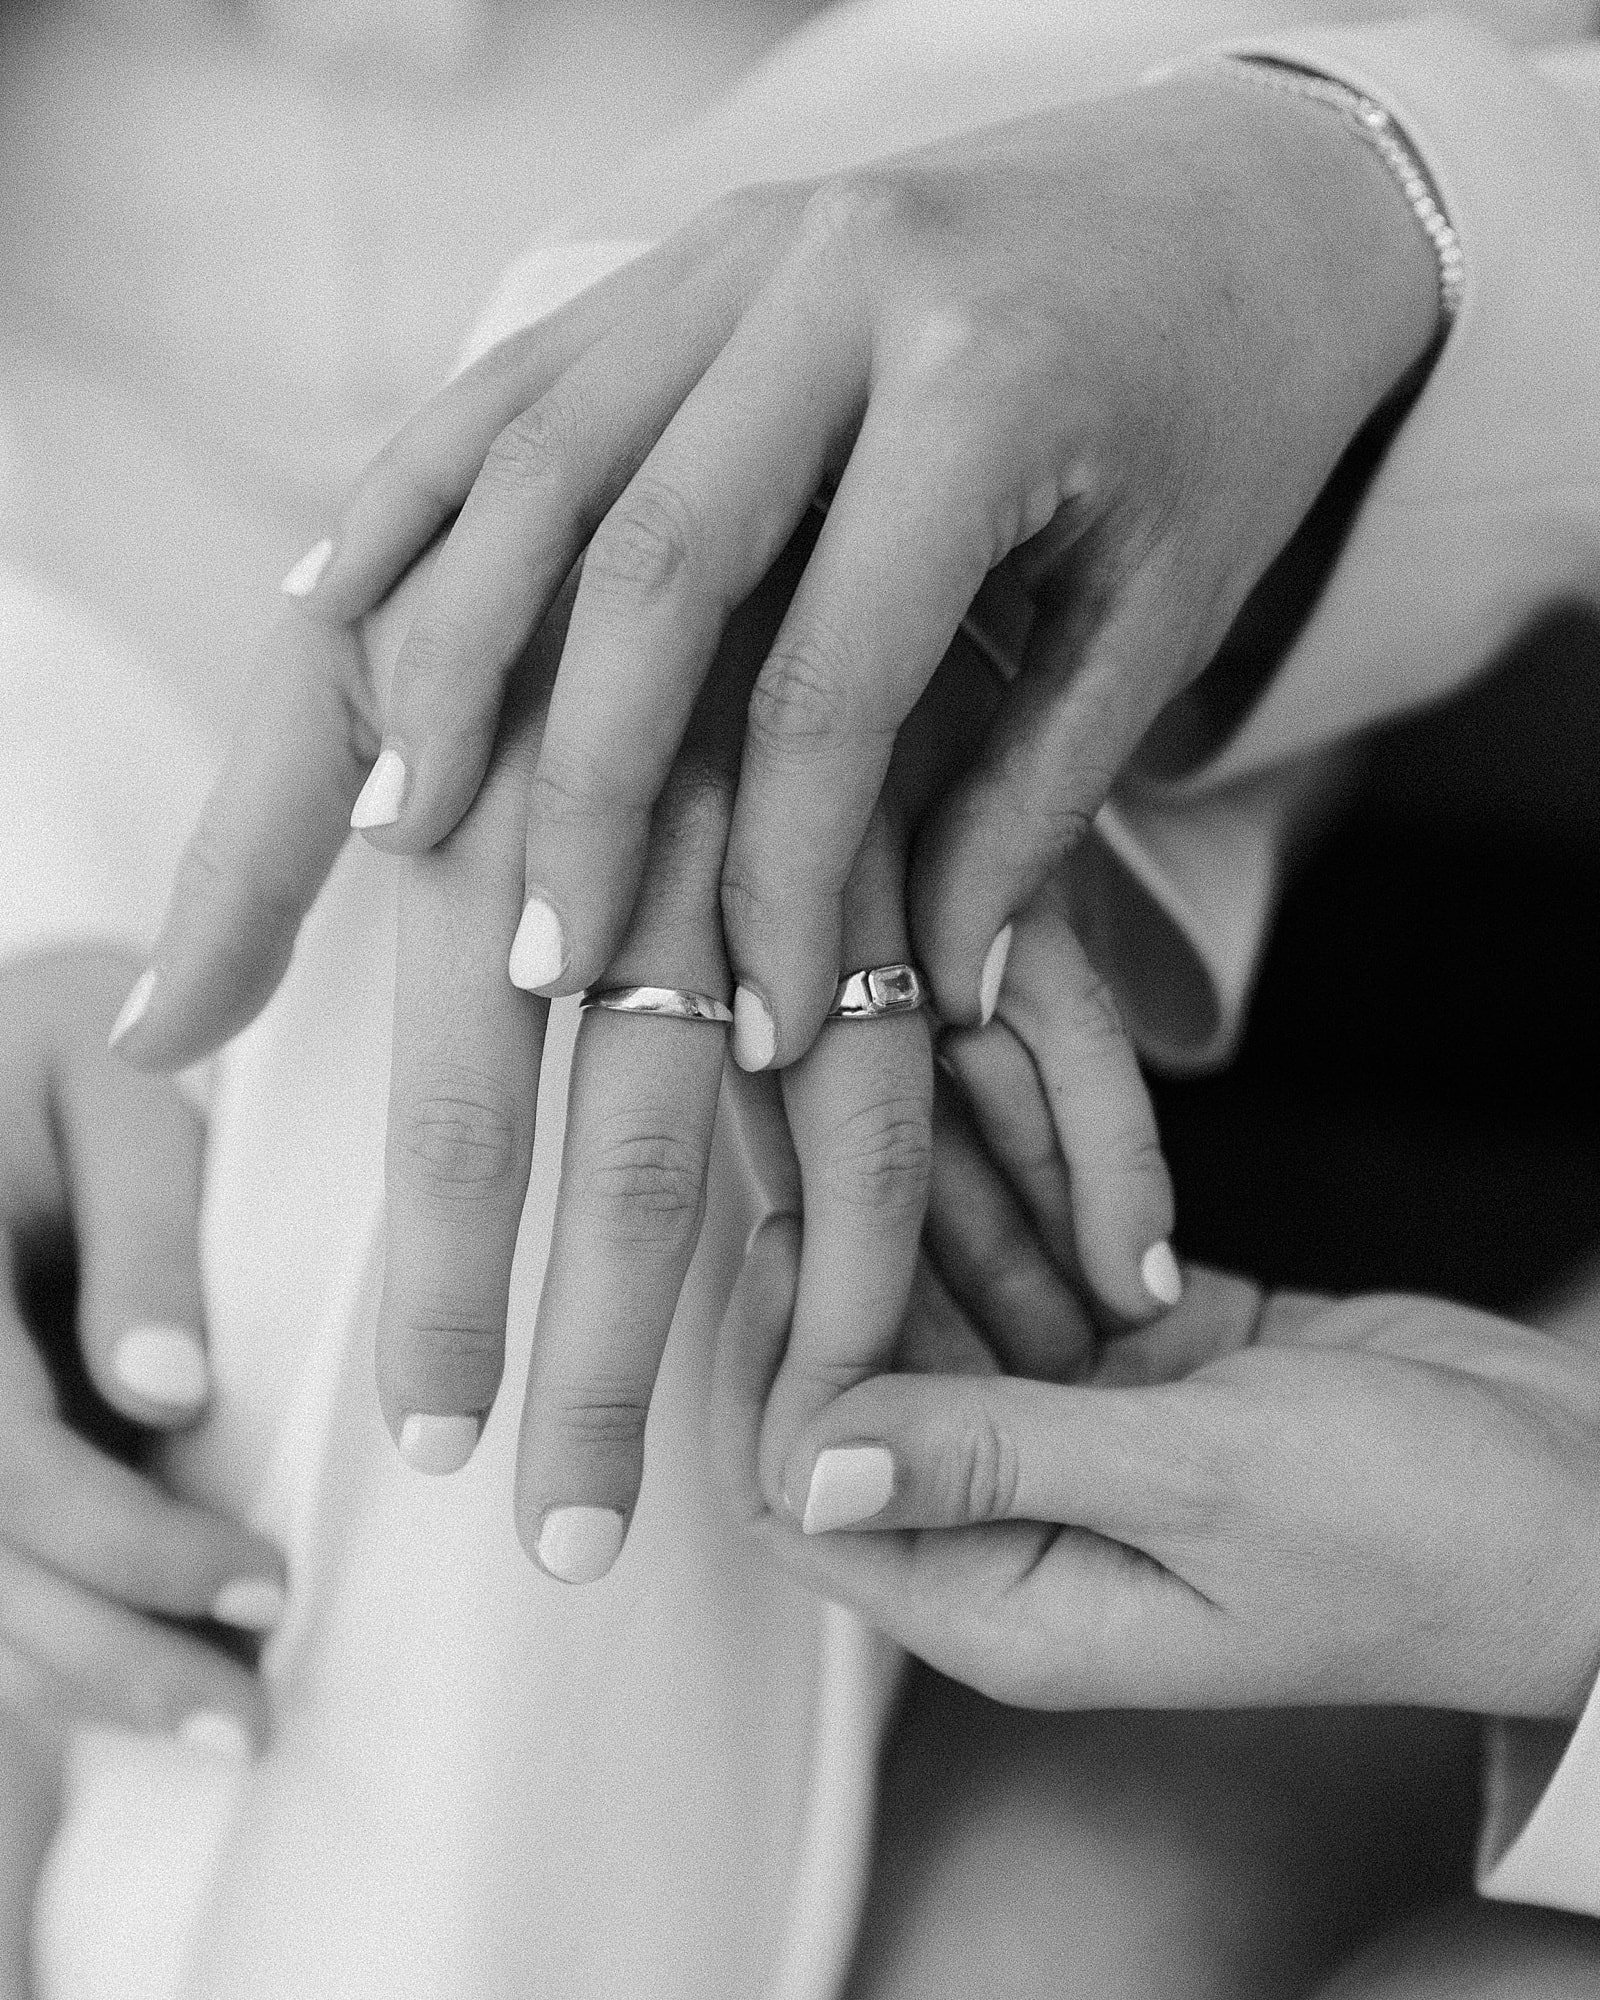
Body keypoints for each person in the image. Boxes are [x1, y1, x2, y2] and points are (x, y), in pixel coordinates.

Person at [9, 6, 1600, 1999]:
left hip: (1060, 368)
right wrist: (48, 859)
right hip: (90, 606)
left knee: (612, 748)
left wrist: (1318, 198)